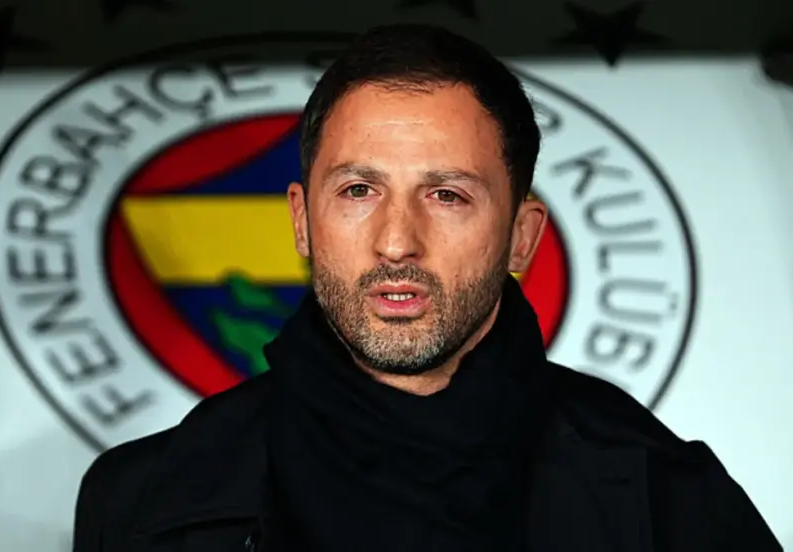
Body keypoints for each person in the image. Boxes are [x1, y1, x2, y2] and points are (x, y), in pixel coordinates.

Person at [72, 24, 781, 552]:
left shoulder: (667, 499)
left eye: (447, 195)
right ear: (302, 221)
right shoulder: (141, 500)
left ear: (522, 237)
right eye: (358, 190)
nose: (396, 242)